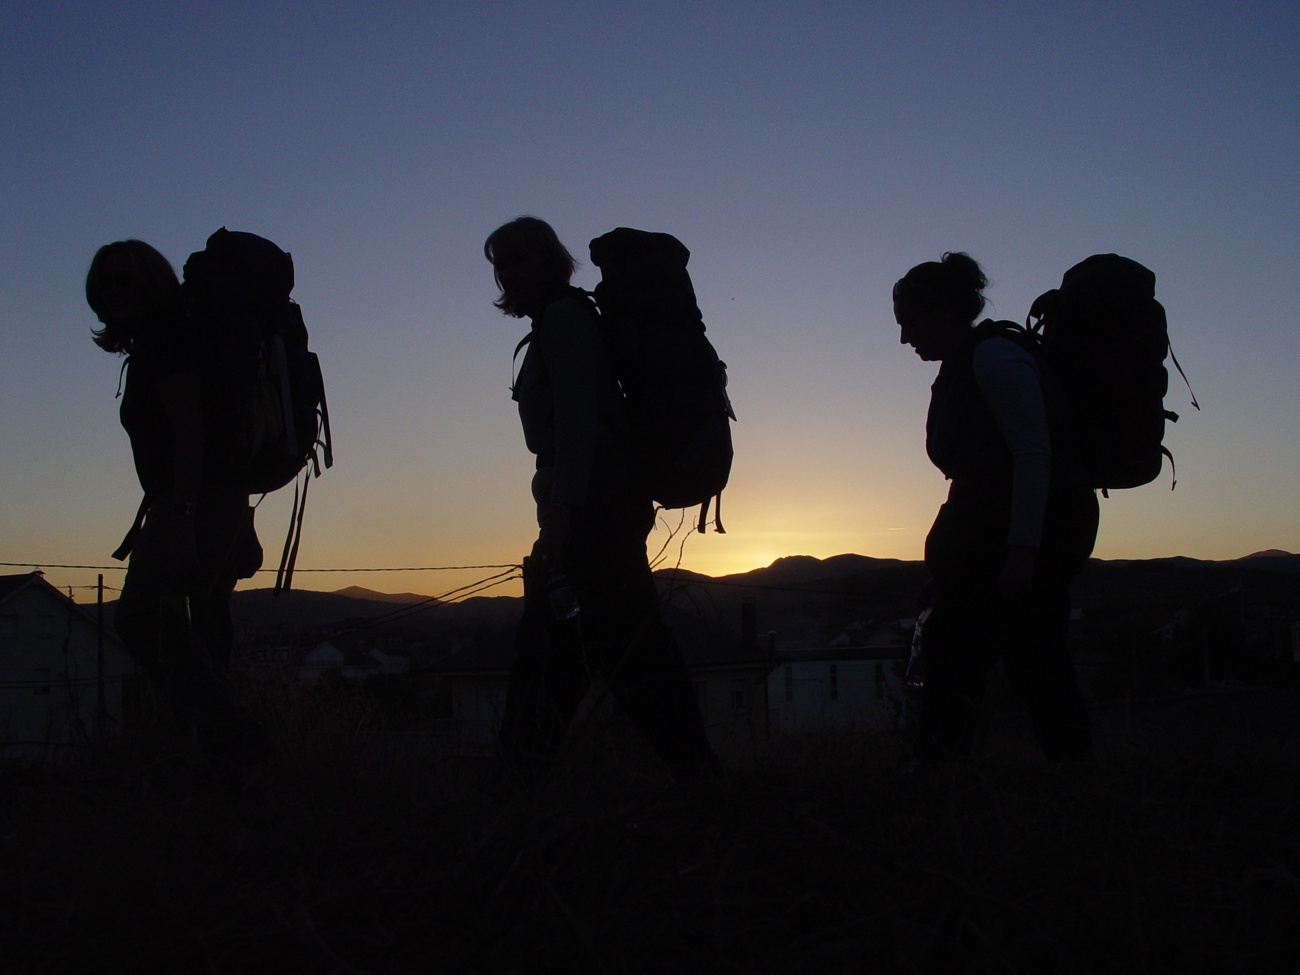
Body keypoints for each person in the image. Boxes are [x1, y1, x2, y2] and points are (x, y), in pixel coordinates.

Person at [484, 216, 721, 785]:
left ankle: (519, 783)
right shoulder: (559, 319)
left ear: (550, 261)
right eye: (500, 263)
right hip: (602, 503)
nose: (508, 273)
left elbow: (577, 424)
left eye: (521, 259)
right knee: (607, 648)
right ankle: (697, 776)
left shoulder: (564, 319)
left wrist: (562, 520)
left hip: (594, 509)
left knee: (587, 648)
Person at [892, 252, 1098, 763]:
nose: (905, 338)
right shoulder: (971, 362)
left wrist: (1022, 551)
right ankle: (1070, 778)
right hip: (996, 542)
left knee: (987, 659)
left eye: (910, 323)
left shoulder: (993, 359)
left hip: (1021, 541)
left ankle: (943, 782)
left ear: (943, 311)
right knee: (1027, 660)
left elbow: (1033, 454)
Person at [86, 239, 269, 775]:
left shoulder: (167, 339)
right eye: (106, 282)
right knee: (197, 625)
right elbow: (219, 435)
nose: (116, 291)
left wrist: (186, 521)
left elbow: (192, 433)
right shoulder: (177, 336)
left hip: (189, 507)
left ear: (152, 281)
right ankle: (217, 768)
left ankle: (239, 741)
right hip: (213, 504)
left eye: (127, 279)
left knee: (147, 618)